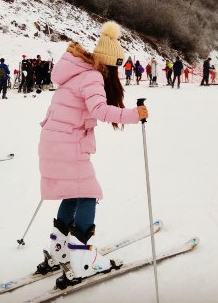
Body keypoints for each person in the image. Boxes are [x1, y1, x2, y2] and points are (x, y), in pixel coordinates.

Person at [35, 21, 148, 287]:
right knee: (88, 193)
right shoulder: (93, 76)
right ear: (109, 64)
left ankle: (59, 251)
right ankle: (83, 261)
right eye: (116, 68)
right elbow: (99, 109)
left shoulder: (77, 72)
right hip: (66, 143)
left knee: (73, 194)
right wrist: (133, 115)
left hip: (53, 140)